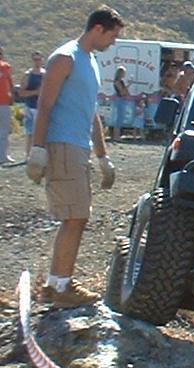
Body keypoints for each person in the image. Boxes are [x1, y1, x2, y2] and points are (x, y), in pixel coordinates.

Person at [26, 5, 124, 307]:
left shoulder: (90, 61)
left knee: (78, 217)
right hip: (62, 144)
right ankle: (59, 287)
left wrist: (102, 155)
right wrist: (38, 149)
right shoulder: (65, 57)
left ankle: (58, 283)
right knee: (75, 216)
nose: (113, 42)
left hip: (78, 147)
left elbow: (90, 111)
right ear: (97, 29)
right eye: (113, 35)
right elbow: (45, 105)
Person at [18, 51, 46, 159]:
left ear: (42, 60)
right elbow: (21, 93)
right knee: (30, 132)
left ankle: (41, 154)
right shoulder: (28, 75)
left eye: (39, 59)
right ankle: (28, 155)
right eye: (35, 60)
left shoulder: (46, 74)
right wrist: (36, 92)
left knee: (43, 131)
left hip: (43, 107)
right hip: (31, 106)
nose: (37, 62)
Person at [0, 45, 14, 164]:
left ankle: (3, 155)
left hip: (4, 102)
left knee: (4, 130)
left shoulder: (6, 67)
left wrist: (12, 96)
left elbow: (10, 82)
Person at [112, 65, 129, 141]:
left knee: (120, 118)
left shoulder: (120, 81)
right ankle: (116, 136)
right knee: (119, 118)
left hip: (121, 99)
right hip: (119, 99)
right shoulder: (117, 82)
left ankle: (117, 135)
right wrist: (129, 85)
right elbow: (122, 92)